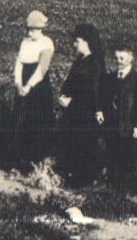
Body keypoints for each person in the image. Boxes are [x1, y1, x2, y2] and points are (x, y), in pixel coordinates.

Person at [57, 22, 107, 185]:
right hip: (74, 111)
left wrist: (71, 100)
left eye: (77, 41)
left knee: (83, 145)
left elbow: (92, 91)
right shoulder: (80, 61)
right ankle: (71, 176)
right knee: (71, 143)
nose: (74, 44)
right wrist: (64, 95)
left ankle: (83, 179)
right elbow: (70, 82)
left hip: (85, 112)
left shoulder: (94, 64)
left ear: (86, 42)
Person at [13, 10, 56, 168]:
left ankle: (38, 159)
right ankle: (22, 159)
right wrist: (18, 84)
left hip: (38, 87)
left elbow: (42, 69)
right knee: (22, 120)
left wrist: (29, 86)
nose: (30, 33)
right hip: (23, 85)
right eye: (29, 29)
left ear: (41, 29)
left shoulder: (46, 43)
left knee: (38, 121)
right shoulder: (24, 43)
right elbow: (19, 64)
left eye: (34, 30)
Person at [104, 45, 137, 187]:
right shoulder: (110, 78)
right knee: (112, 155)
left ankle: (127, 192)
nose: (119, 61)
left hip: (129, 126)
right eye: (116, 58)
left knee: (128, 157)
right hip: (113, 125)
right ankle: (112, 189)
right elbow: (106, 99)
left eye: (122, 58)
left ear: (131, 58)